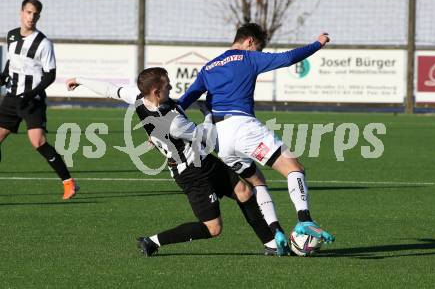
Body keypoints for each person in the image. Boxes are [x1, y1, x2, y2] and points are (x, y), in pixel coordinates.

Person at [65, 67, 285, 256]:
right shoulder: (173, 122)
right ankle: (152, 241)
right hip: (190, 173)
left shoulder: (140, 98)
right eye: (167, 86)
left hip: (203, 160)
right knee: (213, 229)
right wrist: (209, 114)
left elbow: (110, 90)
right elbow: (206, 135)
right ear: (156, 92)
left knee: (244, 192)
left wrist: (80, 80)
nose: (171, 88)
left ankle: (272, 244)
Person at [178, 23, 335, 246]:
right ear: (250, 41)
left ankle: (276, 232)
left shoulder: (209, 67)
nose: (260, 53)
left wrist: (159, 126)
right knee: (294, 168)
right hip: (243, 128)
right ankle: (305, 219)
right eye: (259, 48)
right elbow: (287, 58)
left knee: (257, 182)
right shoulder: (248, 58)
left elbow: (185, 100)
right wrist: (317, 44)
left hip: (220, 141)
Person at [0, 0, 79, 200]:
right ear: (21, 12)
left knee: (38, 141)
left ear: (39, 16)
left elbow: (50, 74)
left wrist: (32, 93)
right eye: (28, 12)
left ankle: (69, 183)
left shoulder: (43, 43)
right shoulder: (10, 36)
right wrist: (3, 76)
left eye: (35, 14)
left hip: (32, 100)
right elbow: (11, 61)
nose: (31, 17)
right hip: (11, 97)